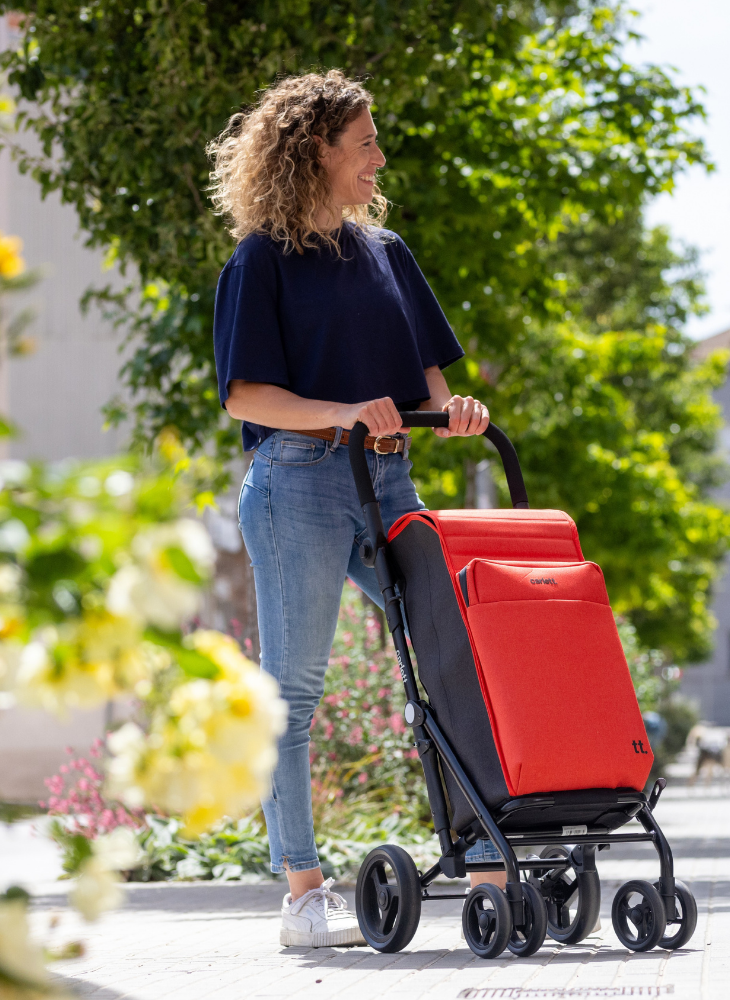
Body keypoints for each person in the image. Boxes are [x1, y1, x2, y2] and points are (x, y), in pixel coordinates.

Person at [208, 70, 493, 949]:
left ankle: (486, 850)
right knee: (293, 692)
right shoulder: (261, 260)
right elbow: (245, 396)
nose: (378, 156)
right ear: (315, 152)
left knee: (454, 657)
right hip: (297, 482)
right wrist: (337, 412)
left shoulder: (386, 251)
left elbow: (428, 377)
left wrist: (456, 413)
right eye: (364, 141)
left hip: (389, 478)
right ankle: (301, 893)